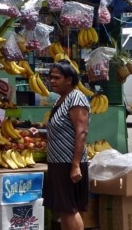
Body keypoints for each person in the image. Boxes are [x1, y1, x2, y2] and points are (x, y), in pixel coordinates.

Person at [44, 60, 90, 230]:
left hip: (68, 163)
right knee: (63, 209)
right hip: (59, 163)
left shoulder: (76, 98)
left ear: (69, 79)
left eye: (57, 78)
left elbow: (81, 132)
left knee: (69, 208)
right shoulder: (61, 99)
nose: (52, 81)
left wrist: (76, 165)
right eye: (51, 77)